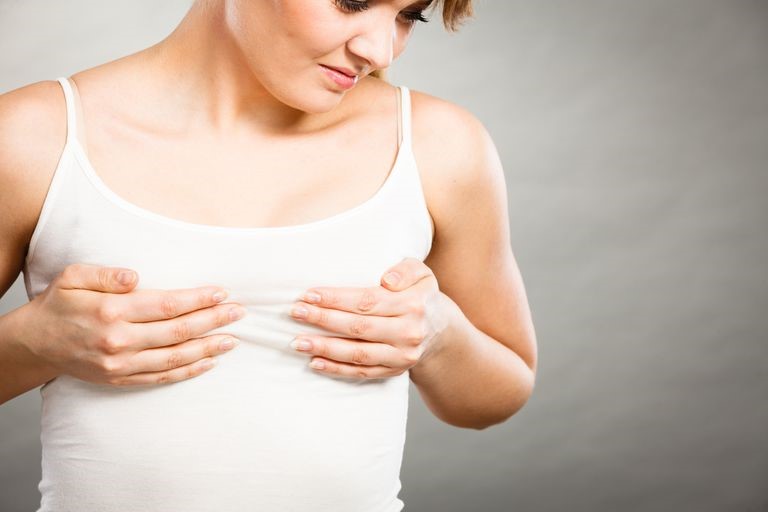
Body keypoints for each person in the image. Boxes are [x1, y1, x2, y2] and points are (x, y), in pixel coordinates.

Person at [0, 0, 537, 510]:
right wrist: (33, 343)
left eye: (409, 16)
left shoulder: (437, 145)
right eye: (351, 1)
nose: (379, 50)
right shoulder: (35, 137)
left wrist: (439, 335)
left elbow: (495, 397)